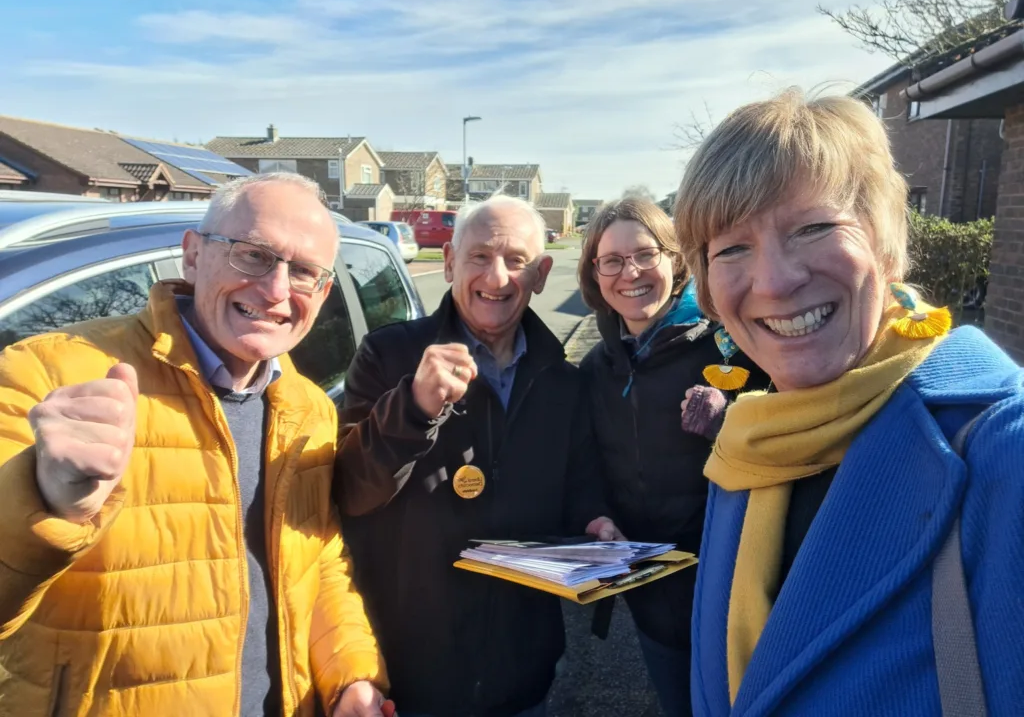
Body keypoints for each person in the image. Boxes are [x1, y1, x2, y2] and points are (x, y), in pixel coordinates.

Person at [674, 89, 1024, 716]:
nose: (775, 280)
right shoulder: (750, 446)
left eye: (813, 227)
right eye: (731, 247)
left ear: (885, 242)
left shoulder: (1005, 449)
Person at [0, 172, 389, 716]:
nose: (277, 290)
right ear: (192, 255)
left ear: (323, 294)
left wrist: (350, 677)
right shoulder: (47, 375)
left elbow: (318, 564)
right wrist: (46, 501)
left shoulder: (309, 409)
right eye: (253, 255)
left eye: (303, 272)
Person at [334, 195, 622, 717]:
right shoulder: (388, 356)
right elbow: (350, 491)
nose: (497, 277)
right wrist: (413, 409)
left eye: (517, 260)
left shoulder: (561, 380)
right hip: (409, 666)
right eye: (479, 257)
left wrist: (595, 522)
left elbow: (579, 482)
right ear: (448, 261)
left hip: (522, 664)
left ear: (541, 274)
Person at [576, 196, 765, 717]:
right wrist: (598, 515)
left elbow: (796, 427)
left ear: (675, 258)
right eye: (611, 260)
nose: (629, 273)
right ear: (596, 272)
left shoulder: (731, 344)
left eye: (645, 254)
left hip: (737, 592)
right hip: (654, 593)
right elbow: (587, 463)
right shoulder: (597, 368)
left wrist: (732, 420)